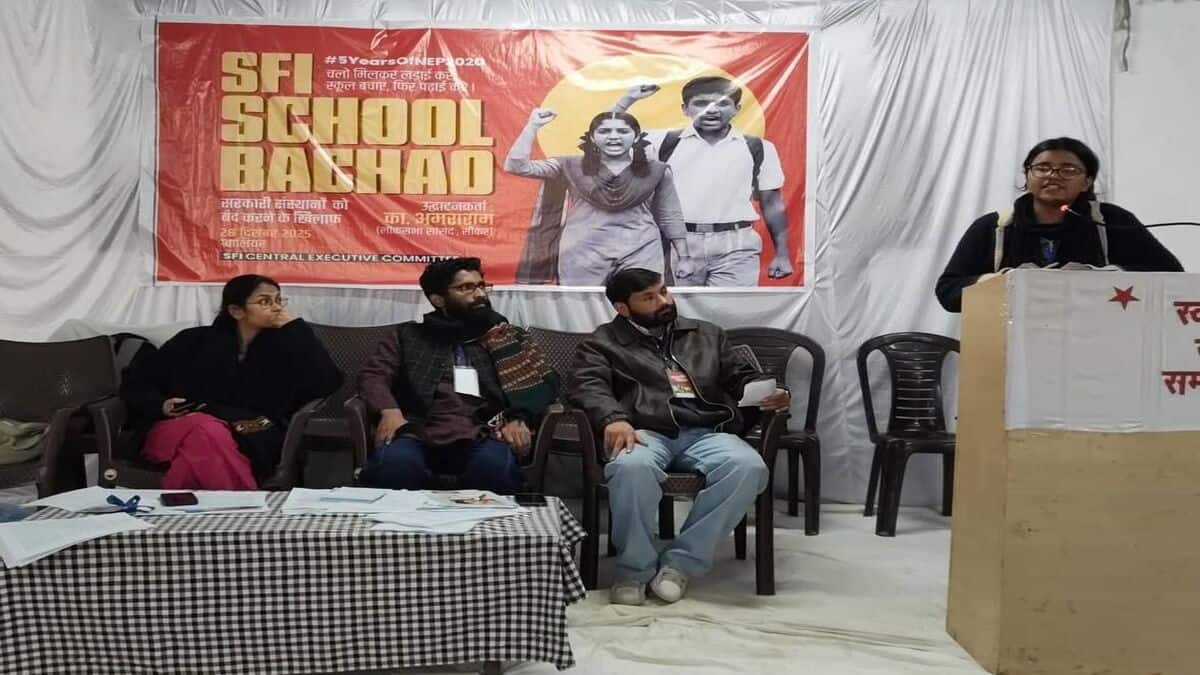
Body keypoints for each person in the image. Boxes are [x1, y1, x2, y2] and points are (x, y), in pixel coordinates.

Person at [568, 268, 791, 605]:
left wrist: (771, 391)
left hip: (706, 431)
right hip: (644, 431)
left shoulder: (707, 334)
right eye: (648, 298)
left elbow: (740, 377)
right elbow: (588, 386)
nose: (663, 301)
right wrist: (613, 418)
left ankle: (680, 564)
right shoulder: (601, 343)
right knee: (630, 469)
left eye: (663, 291)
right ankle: (634, 570)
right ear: (622, 308)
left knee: (749, 467)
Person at [356, 257, 559, 493]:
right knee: (395, 466)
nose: (480, 294)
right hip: (416, 431)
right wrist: (389, 410)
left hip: (485, 433)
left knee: (494, 469)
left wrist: (519, 418)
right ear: (438, 299)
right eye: (466, 288)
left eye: (481, 285)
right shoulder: (407, 336)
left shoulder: (507, 336)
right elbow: (374, 376)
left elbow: (545, 382)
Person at [121, 275, 341, 489]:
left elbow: (327, 383)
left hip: (252, 435)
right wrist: (161, 404)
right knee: (204, 429)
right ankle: (242, 505)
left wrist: (297, 329)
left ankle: (186, 506)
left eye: (278, 300)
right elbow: (138, 383)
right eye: (265, 301)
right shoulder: (192, 341)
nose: (276, 308)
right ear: (236, 311)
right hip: (179, 428)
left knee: (203, 441)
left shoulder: (288, 347)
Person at [936, 137, 1183, 312]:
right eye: (1042, 168)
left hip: (1097, 342)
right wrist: (1003, 281)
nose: (1053, 176)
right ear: (1027, 176)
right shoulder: (995, 226)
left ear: (1086, 182)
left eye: (1068, 170)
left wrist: (1104, 278)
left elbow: (1172, 278)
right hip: (1011, 344)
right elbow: (948, 293)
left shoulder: (1111, 221)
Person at [612, 76, 793, 286]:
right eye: (701, 103)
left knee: (732, 306)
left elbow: (772, 203)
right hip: (677, 243)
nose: (711, 110)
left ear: (737, 109)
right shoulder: (662, 142)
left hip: (737, 245)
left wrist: (782, 254)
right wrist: (627, 100)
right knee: (678, 305)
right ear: (685, 109)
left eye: (722, 103)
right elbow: (607, 139)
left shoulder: (758, 147)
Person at [505, 108, 692, 286]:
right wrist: (533, 125)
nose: (613, 136)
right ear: (592, 138)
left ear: (636, 137)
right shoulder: (569, 166)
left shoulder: (656, 170)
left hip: (641, 249)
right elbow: (516, 166)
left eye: (622, 131)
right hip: (582, 251)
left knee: (643, 303)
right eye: (604, 131)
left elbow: (670, 215)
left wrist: (684, 258)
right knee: (582, 305)